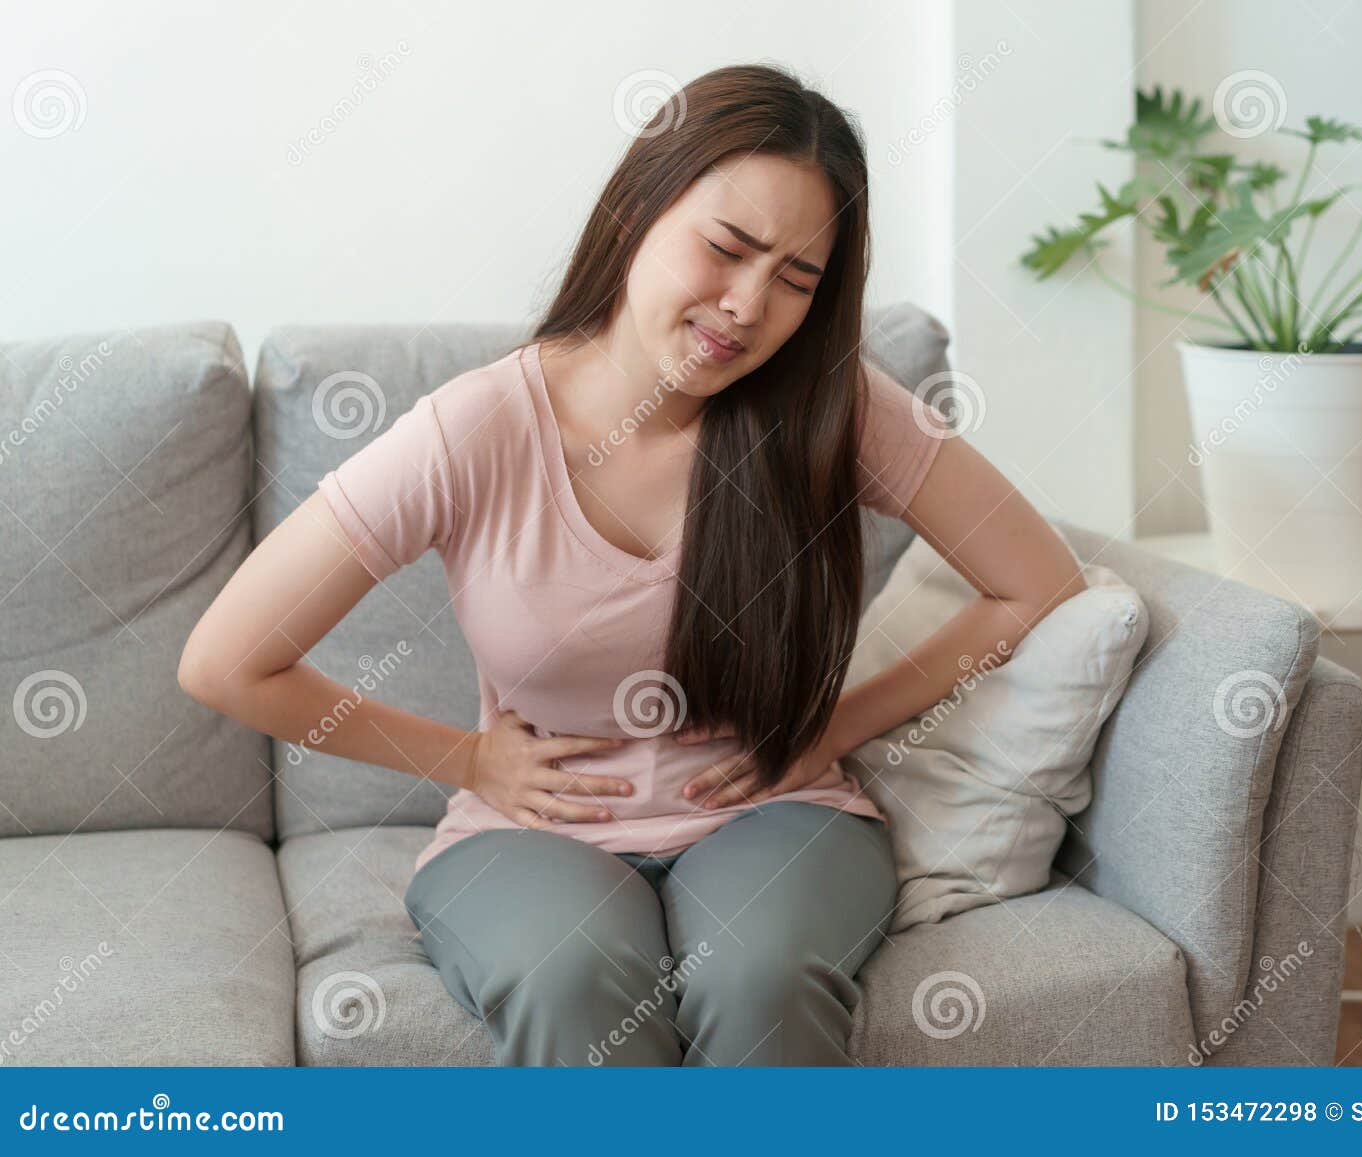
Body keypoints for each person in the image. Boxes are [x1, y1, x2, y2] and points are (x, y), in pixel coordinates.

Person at [179, 62, 1085, 1066]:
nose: (747, 305)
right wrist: (465, 757)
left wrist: (832, 724)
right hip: (529, 833)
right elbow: (226, 659)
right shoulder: (477, 427)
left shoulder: (829, 406)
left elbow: (1035, 580)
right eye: (727, 248)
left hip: (777, 813)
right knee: (572, 980)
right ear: (631, 218)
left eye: (795, 279)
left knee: (759, 973)